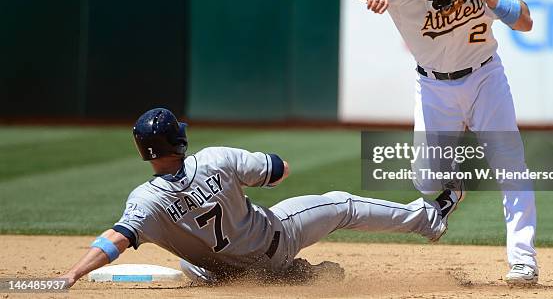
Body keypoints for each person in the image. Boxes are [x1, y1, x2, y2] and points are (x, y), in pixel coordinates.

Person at [345, 0, 538, 285]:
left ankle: (523, 260)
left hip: (485, 78)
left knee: (511, 166)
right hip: (432, 86)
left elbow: (526, 21)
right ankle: (452, 186)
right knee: (426, 180)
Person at [59, 107, 454, 287]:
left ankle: (295, 277)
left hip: (224, 273)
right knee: (342, 205)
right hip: (275, 242)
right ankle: (429, 219)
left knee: (187, 260)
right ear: (178, 140)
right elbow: (277, 170)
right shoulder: (215, 159)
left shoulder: (145, 202)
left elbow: (117, 238)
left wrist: (74, 273)